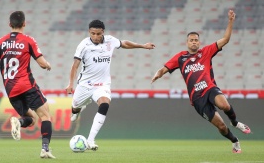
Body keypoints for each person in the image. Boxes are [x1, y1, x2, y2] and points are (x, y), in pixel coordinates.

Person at [151, 10, 250, 153]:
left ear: (199, 42)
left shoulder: (206, 52)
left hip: (209, 88)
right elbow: (164, 68)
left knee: (224, 105)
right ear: (187, 42)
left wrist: (230, 21)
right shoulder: (181, 58)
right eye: (191, 40)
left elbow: (225, 39)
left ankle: (235, 122)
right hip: (197, 99)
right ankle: (234, 140)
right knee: (221, 127)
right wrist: (157, 74)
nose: (194, 42)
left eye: (196, 40)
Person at [65, 19, 155, 150]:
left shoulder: (110, 40)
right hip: (85, 85)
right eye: (92, 33)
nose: (95, 36)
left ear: (103, 32)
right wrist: (70, 84)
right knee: (75, 107)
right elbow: (75, 66)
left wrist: (142, 45)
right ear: (89, 32)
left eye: (98, 33)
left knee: (105, 104)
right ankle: (76, 111)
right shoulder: (83, 45)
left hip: (102, 85)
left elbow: (124, 43)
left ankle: (90, 140)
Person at [0, 11, 56, 159]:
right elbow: (42, 64)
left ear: (9, 24)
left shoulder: (1, 41)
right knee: (45, 116)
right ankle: (45, 149)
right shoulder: (28, 40)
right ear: (24, 23)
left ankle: (18, 122)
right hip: (27, 85)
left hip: (11, 90)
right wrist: (48, 65)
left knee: (31, 120)